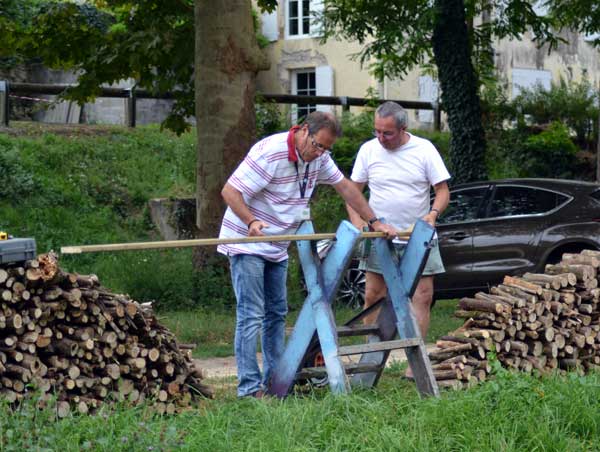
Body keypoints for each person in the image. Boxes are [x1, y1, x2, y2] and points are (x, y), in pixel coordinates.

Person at [218, 111, 397, 398]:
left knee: (276, 314)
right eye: (317, 145)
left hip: (278, 244)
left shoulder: (320, 158)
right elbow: (230, 191)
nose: (320, 153)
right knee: (251, 315)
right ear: (303, 130)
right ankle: (249, 390)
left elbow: (347, 189)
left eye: (327, 148)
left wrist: (375, 222)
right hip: (246, 242)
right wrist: (251, 221)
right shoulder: (270, 152)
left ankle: (277, 383)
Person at [347, 101, 451, 371]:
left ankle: (413, 362)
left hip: (417, 237)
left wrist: (433, 214)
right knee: (373, 295)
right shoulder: (368, 151)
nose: (381, 138)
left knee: (423, 295)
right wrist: (358, 222)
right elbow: (352, 193)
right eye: (377, 132)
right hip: (379, 237)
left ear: (403, 128)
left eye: (387, 133)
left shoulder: (424, 149)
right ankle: (371, 357)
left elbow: (442, 191)